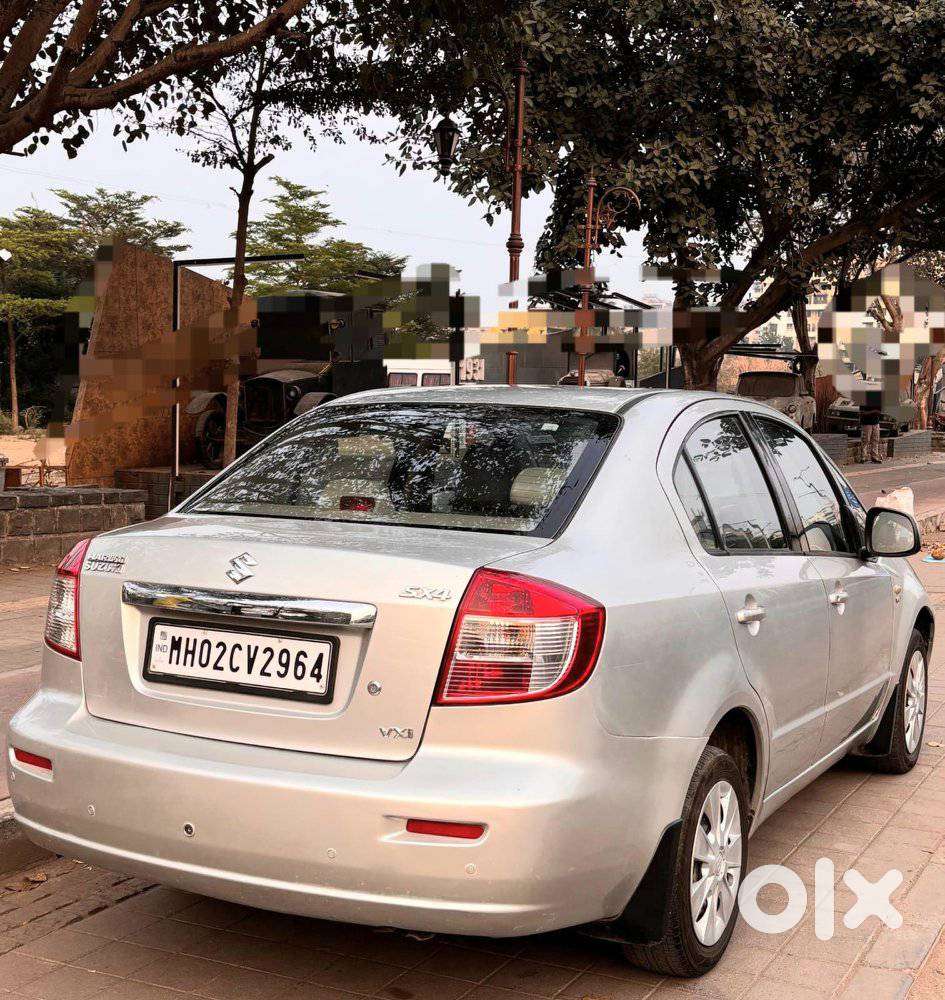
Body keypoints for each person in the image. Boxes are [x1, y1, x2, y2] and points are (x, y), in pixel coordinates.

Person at [859, 394, 884, 464]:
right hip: (866, 423)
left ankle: (874, 457)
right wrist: (873, 411)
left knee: (875, 440)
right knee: (865, 440)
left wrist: (876, 411)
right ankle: (863, 457)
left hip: (876, 422)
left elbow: (879, 411)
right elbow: (862, 412)